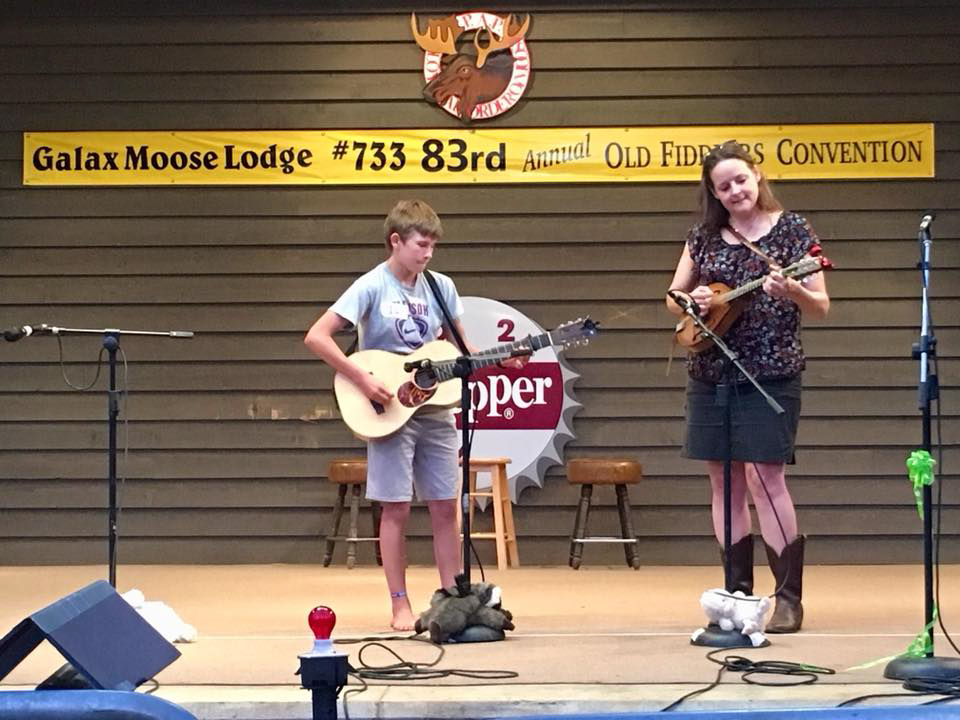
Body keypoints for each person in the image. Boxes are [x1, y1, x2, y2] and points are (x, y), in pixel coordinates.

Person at [665, 141, 830, 633]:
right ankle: (736, 593)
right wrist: (690, 298)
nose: (735, 190)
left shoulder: (794, 231)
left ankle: (787, 598)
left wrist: (793, 289)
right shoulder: (704, 236)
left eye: (740, 179)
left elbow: (821, 304)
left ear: (757, 177)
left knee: (765, 477)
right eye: (723, 185)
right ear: (714, 193)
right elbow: (673, 298)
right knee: (723, 478)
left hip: (771, 372)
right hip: (711, 373)